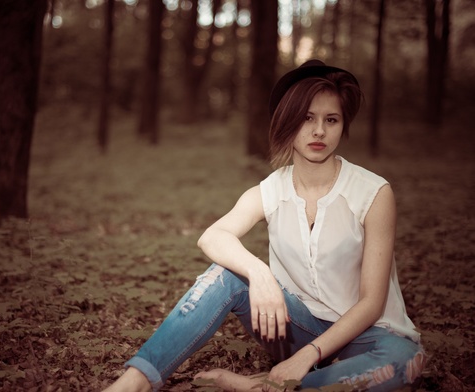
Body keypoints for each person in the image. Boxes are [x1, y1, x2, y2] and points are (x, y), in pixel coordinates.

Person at [104, 60, 425, 392]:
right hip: (294, 327)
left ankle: (263, 387)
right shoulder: (271, 190)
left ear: (343, 126)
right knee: (224, 274)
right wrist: (260, 274)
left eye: (331, 120)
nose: (318, 131)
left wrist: (308, 356)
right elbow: (213, 236)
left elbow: (372, 303)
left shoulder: (373, 192)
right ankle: (136, 381)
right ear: (288, 122)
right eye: (307, 118)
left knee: (406, 359)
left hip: (365, 336)